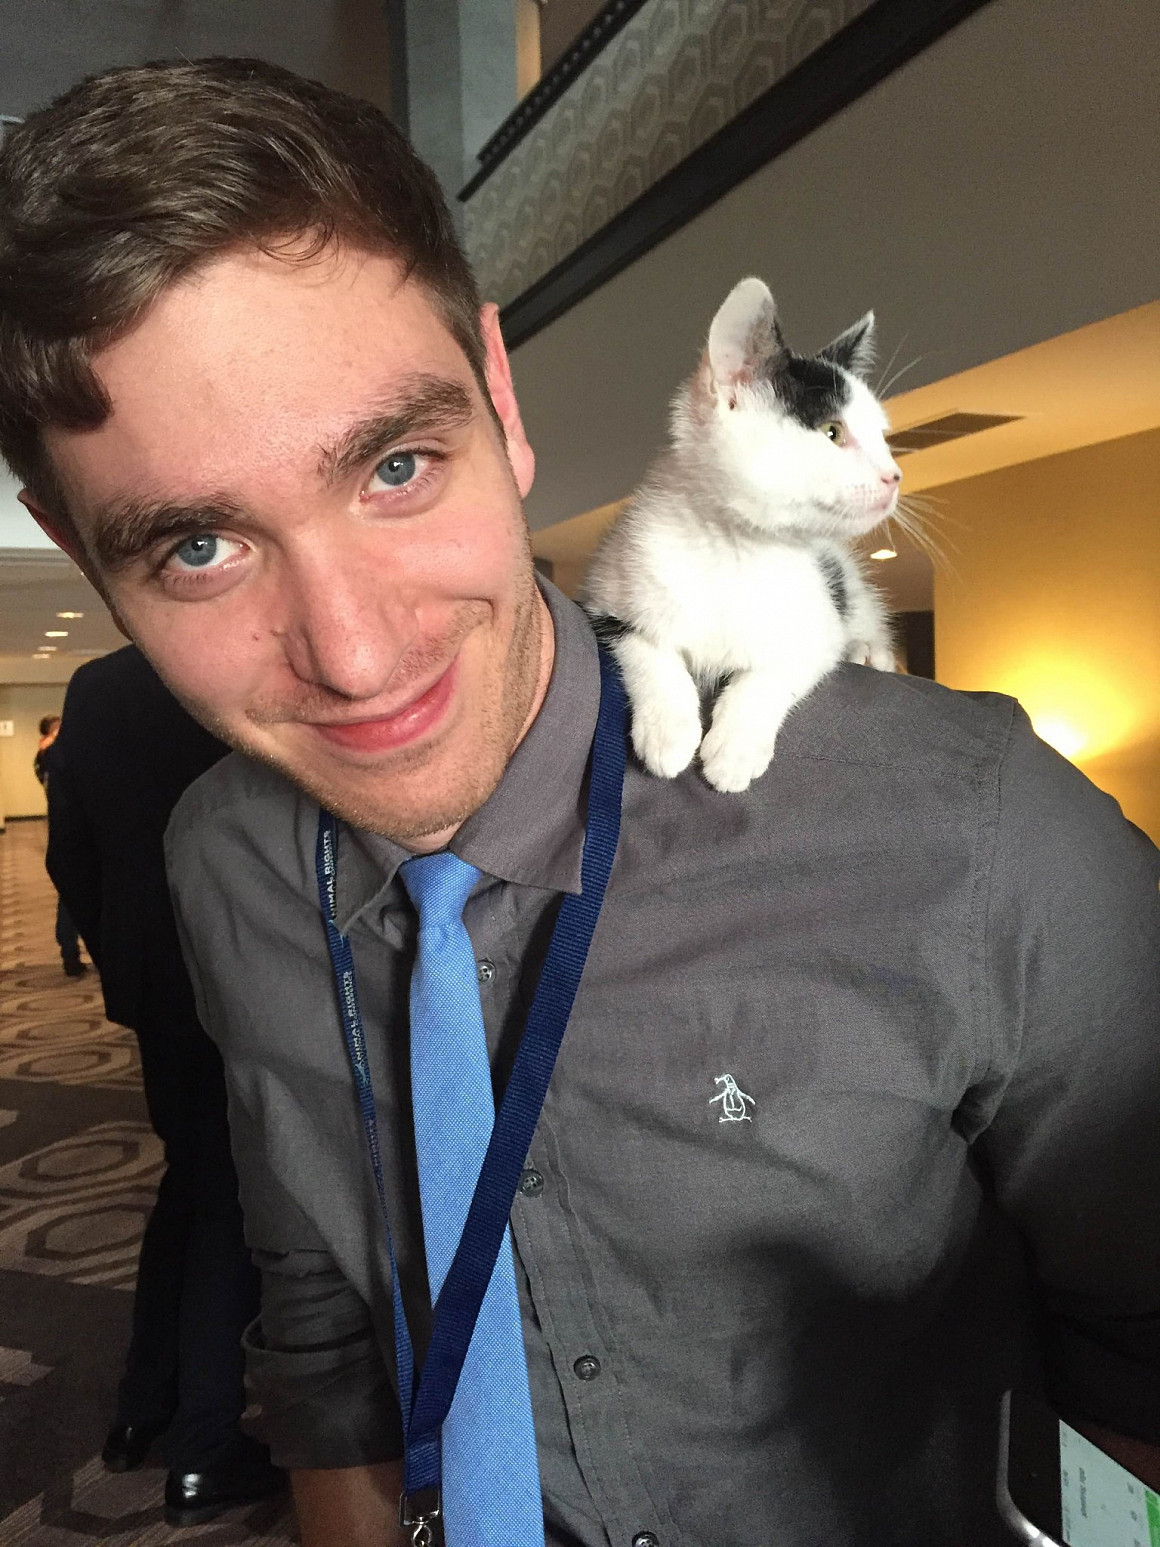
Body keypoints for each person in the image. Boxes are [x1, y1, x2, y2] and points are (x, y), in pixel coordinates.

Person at [0, 58, 1157, 1547]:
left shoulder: (982, 832)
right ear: (75, 551)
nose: (355, 655)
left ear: (502, 397)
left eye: (397, 464)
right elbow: (321, 1306)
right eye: (199, 547)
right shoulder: (222, 857)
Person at [42, 647, 285, 1526]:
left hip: (156, 984)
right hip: (257, 972)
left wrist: (126, 957)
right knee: (232, 1198)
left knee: (191, 1184)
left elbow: (68, 853)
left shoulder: (99, 686)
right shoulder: (256, 661)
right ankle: (205, 1446)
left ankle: (141, 1407)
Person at [34, 713, 86, 976]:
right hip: (78, 833)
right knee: (75, 896)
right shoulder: (59, 752)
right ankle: (72, 952)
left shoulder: (48, 754)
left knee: (69, 895)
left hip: (64, 831)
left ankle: (69, 952)